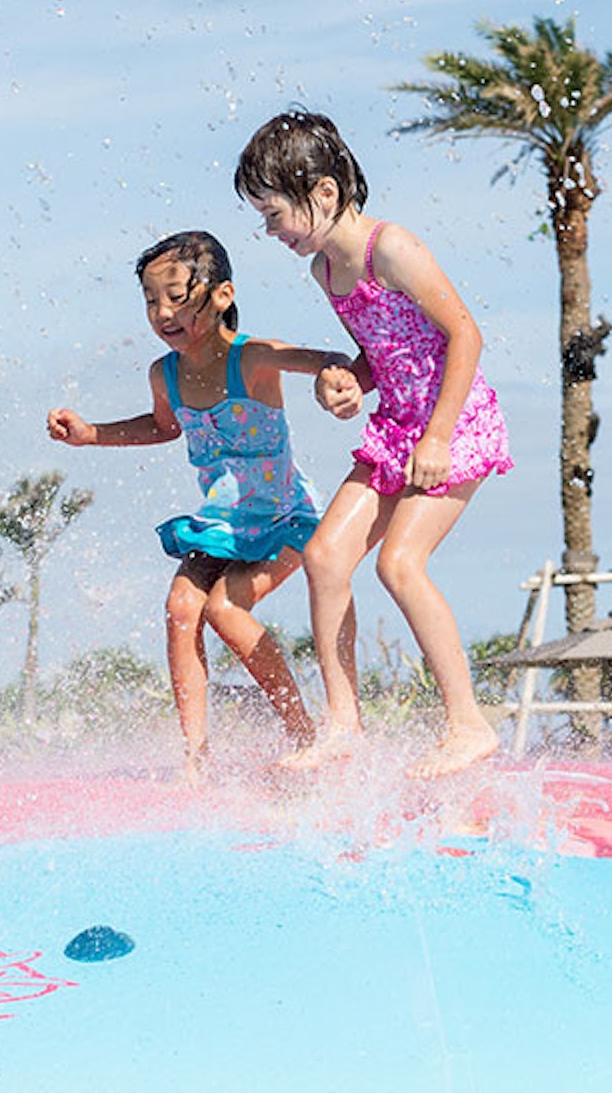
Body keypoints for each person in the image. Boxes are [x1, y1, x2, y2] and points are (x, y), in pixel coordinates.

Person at [235, 110, 513, 780]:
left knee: (399, 564)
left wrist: (440, 436)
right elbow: (384, 348)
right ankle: (343, 725)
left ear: (323, 193)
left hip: (453, 422)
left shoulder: (394, 248)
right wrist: (349, 382)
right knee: (326, 555)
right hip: (398, 428)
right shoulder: (326, 272)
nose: (269, 231)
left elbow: (464, 335)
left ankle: (468, 725)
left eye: (273, 214)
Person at [47, 230, 346, 783]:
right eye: (150, 301)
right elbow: (162, 427)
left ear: (222, 295)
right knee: (182, 608)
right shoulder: (165, 374)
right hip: (222, 524)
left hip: (286, 517)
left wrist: (334, 379)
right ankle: (194, 754)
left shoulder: (250, 359)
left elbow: (322, 358)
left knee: (224, 611)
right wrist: (91, 434)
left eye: (177, 297)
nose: (163, 312)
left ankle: (303, 730)